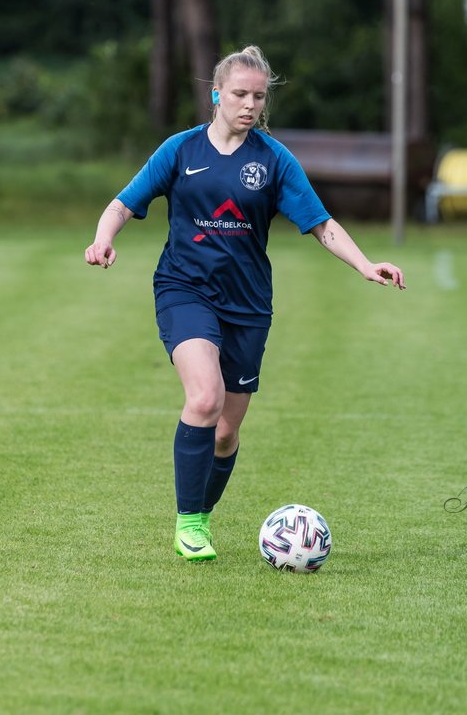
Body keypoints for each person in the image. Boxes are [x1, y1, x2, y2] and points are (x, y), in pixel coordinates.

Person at [84, 45, 405, 562]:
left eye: (259, 96)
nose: (250, 105)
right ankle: (188, 524)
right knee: (205, 399)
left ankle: (201, 518)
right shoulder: (181, 151)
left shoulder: (274, 160)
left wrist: (365, 264)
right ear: (216, 93)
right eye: (239, 94)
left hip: (249, 305)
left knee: (226, 434)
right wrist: (103, 239)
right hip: (184, 290)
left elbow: (320, 224)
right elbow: (123, 203)